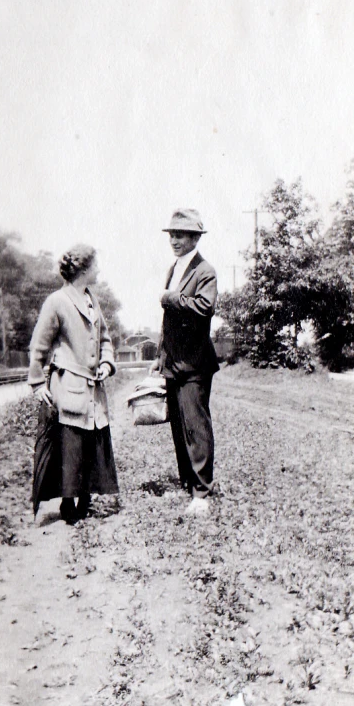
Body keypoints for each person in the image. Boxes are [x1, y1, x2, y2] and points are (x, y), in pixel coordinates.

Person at [28, 244, 119, 524]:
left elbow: (104, 339)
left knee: (91, 443)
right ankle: (68, 503)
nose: (99, 270)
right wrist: (37, 384)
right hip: (68, 385)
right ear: (83, 269)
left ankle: (86, 498)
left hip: (93, 386)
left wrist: (106, 363)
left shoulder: (92, 299)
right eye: (96, 266)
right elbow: (38, 346)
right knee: (70, 445)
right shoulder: (57, 301)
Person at [151, 209, 219, 514]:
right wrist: (159, 355)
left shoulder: (205, 271)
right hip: (173, 362)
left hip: (194, 364)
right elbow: (168, 322)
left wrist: (169, 298)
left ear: (195, 238)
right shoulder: (174, 268)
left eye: (180, 235)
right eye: (172, 235)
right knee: (178, 426)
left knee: (196, 426)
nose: (175, 240)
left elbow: (204, 308)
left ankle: (202, 493)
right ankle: (186, 484)